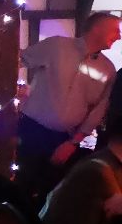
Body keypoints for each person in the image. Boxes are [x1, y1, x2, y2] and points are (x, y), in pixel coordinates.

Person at [16, 13, 120, 203]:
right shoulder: (57, 46)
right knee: (21, 186)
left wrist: (73, 143)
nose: (119, 36)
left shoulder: (108, 69)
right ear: (97, 28)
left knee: (52, 193)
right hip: (31, 129)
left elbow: (98, 110)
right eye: (115, 30)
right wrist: (15, 89)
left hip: (65, 139)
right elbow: (20, 59)